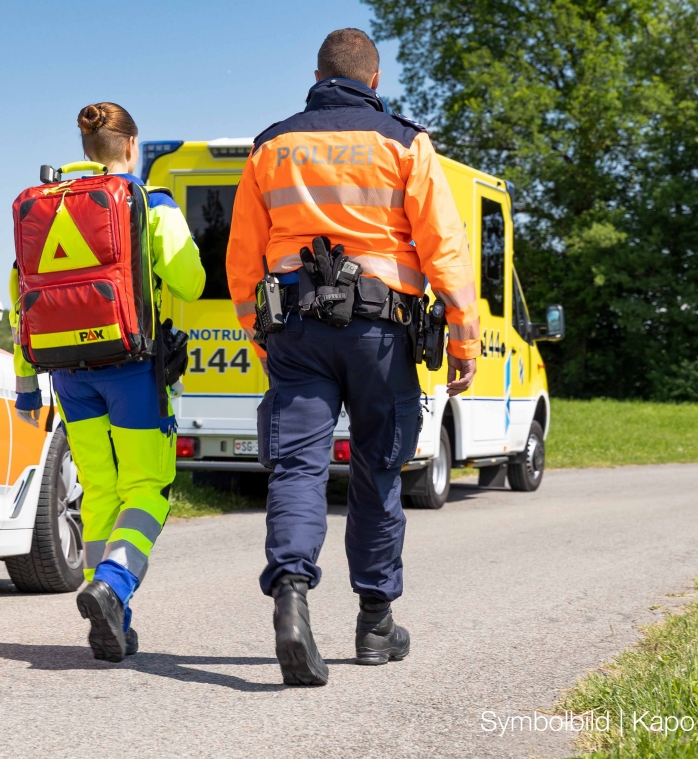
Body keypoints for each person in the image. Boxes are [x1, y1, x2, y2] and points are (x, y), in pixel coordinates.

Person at [225, 29, 480, 686]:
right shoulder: (405, 142)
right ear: (374, 80)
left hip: (297, 333)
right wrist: (463, 336)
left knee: (297, 470)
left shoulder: (271, 145)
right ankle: (374, 624)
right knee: (377, 475)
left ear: (316, 77)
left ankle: (290, 594)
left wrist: (259, 330)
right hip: (380, 332)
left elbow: (241, 257)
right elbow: (444, 249)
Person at [12, 102, 206, 662]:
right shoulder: (150, 204)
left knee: (97, 490)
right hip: (133, 370)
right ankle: (115, 585)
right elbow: (190, 282)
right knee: (148, 487)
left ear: (85, 149)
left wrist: (27, 385)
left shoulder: (43, 208)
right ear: (131, 146)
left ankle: (111, 612)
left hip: (68, 375)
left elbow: (21, 298)